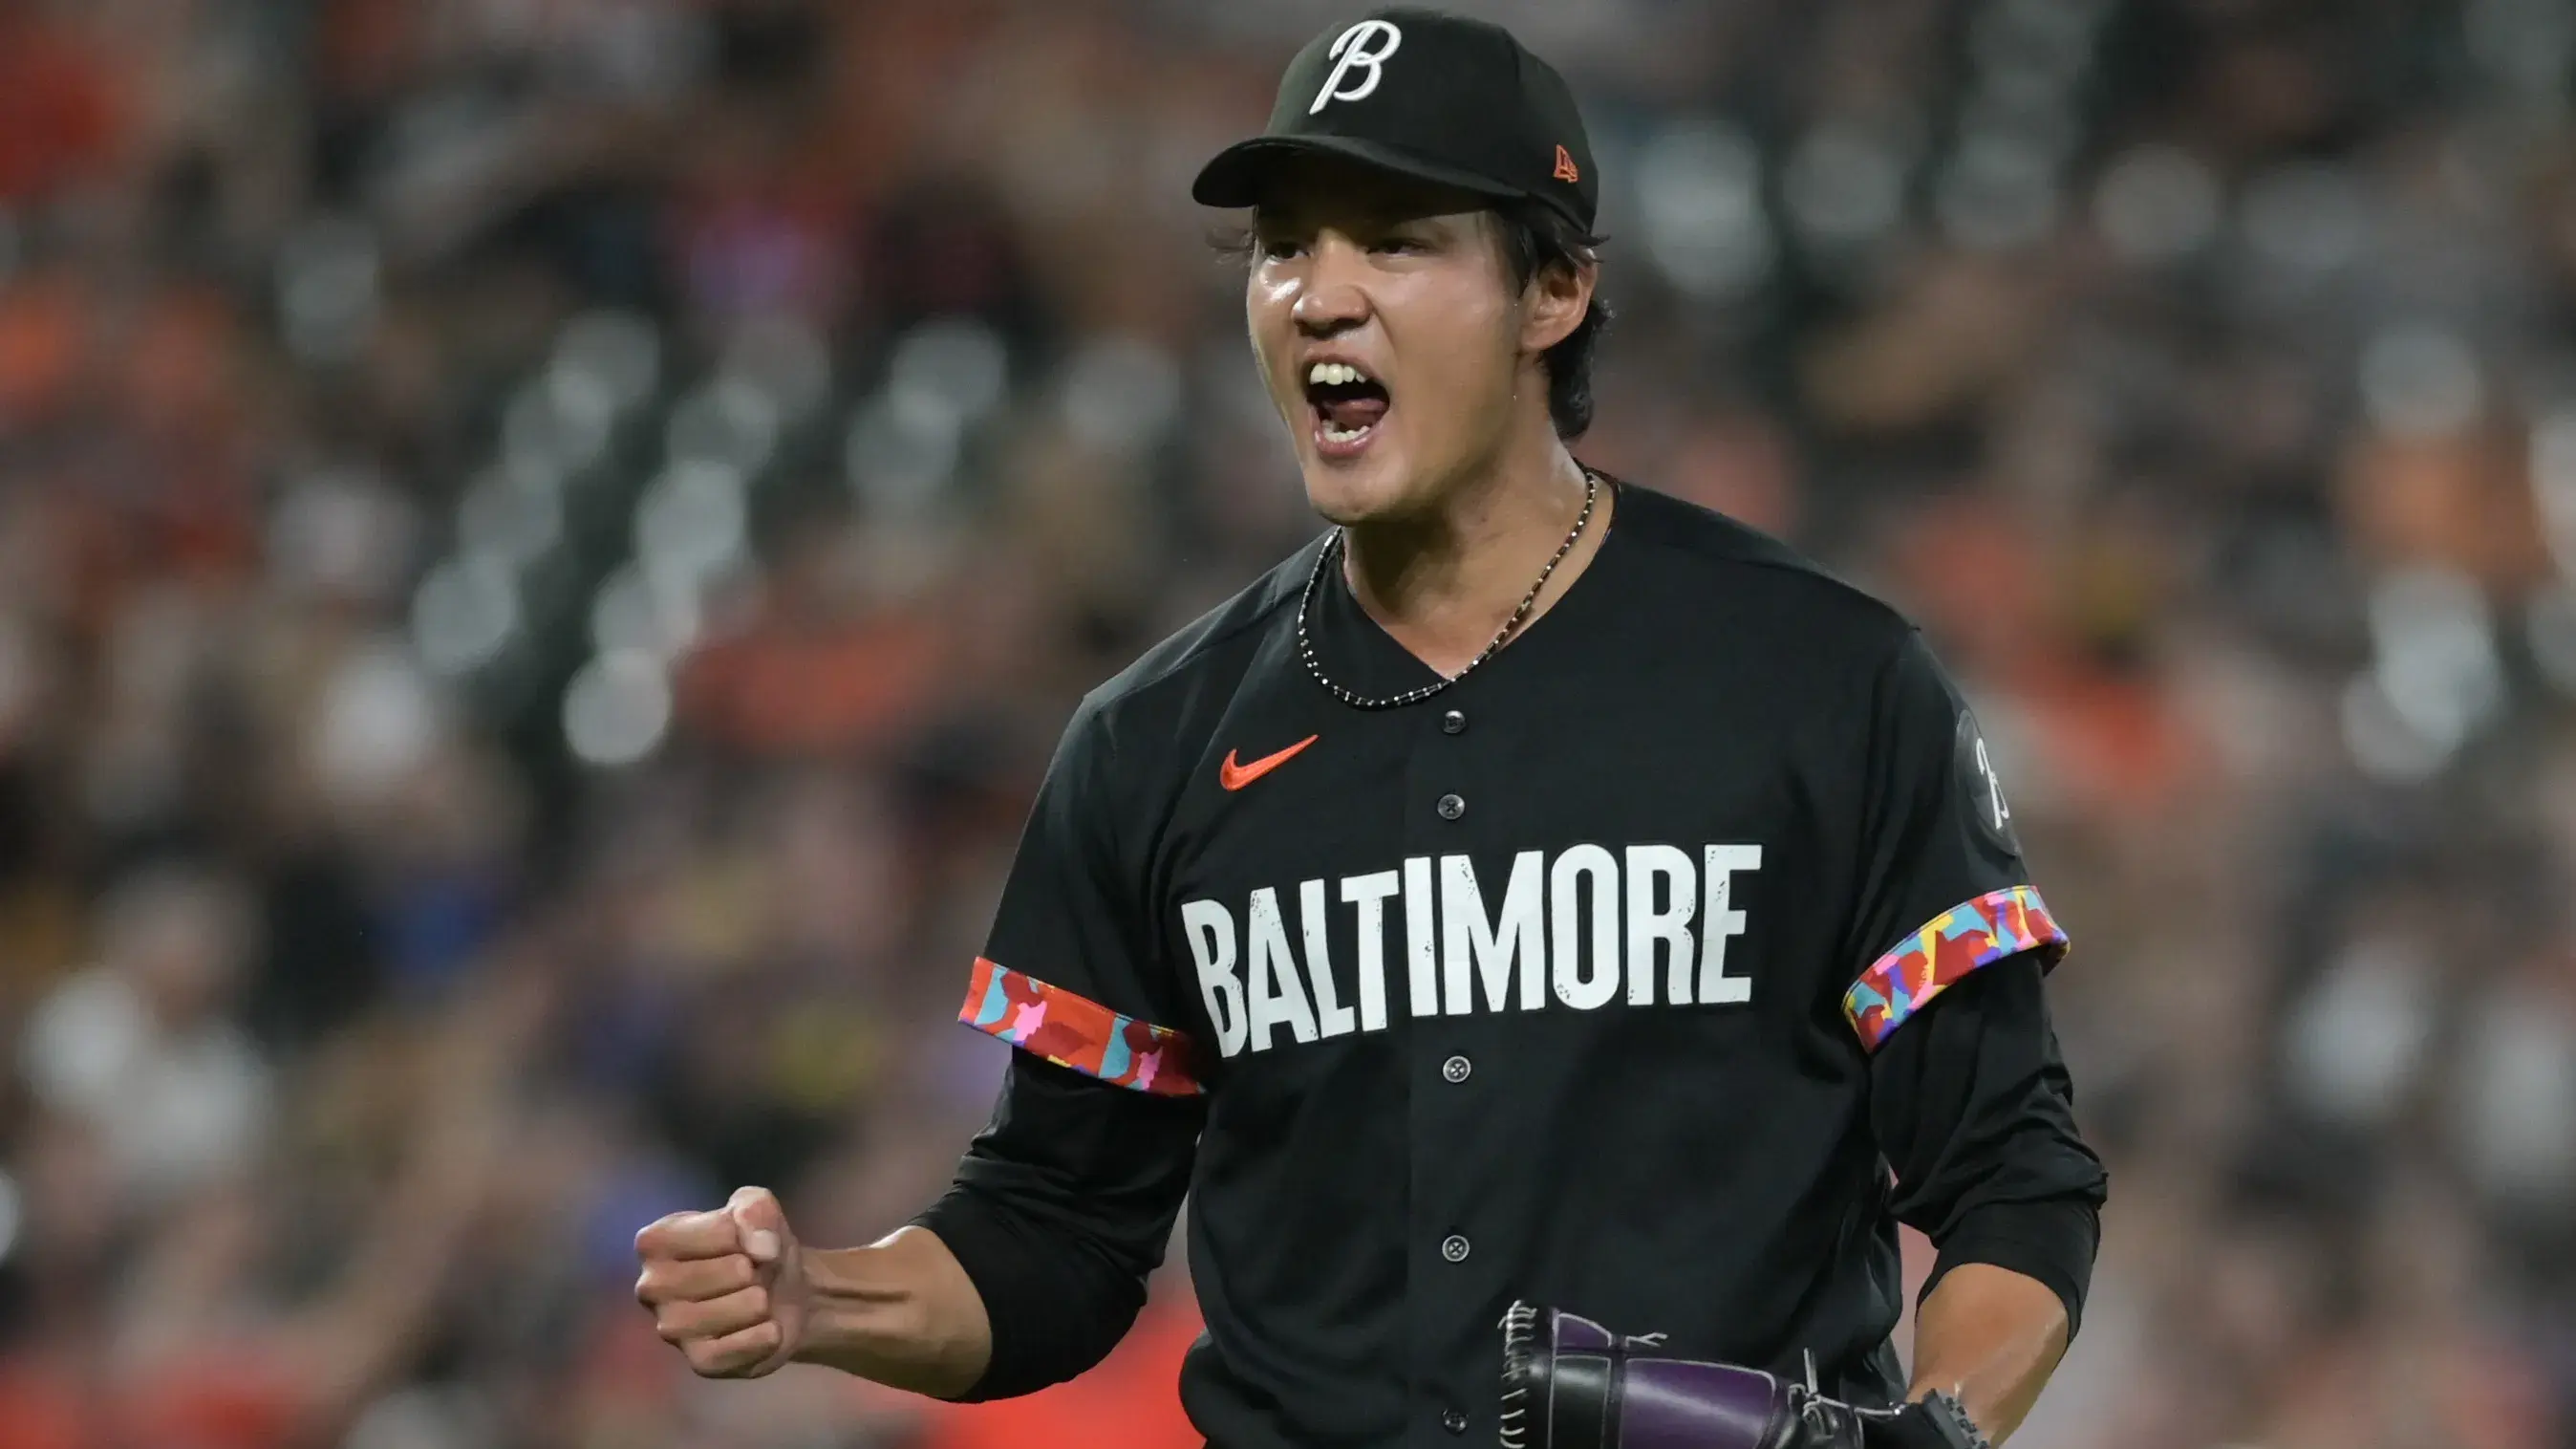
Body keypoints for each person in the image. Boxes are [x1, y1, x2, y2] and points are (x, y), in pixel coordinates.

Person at [634, 10, 2105, 1446]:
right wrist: (817, 1296)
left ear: (1552, 293)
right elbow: (1060, 1230)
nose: (1319, 295)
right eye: (1285, 246)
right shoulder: (1153, 742)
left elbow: (2010, 1171)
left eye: (1396, 240)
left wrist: (1938, 1428)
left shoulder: (1817, 681)